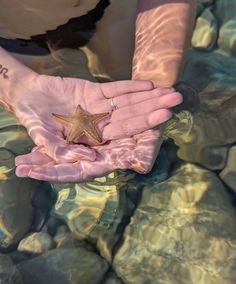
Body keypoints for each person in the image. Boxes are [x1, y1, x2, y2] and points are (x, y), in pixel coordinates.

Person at [0, 0, 197, 183]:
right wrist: (17, 86)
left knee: (131, 83)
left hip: (106, 9)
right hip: (19, 40)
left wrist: (155, 91)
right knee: (49, 108)